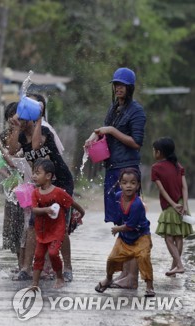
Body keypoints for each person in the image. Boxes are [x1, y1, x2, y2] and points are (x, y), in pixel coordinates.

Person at [85, 67, 146, 289]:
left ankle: (132, 277)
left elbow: (136, 142)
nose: (118, 88)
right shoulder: (114, 108)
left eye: (122, 85)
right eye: (115, 84)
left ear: (130, 88)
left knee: (131, 222)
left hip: (127, 169)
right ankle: (125, 274)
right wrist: (95, 136)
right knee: (120, 221)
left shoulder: (136, 111)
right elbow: (104, 130)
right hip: (112, 169)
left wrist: (111, 130)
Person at [7, 94, 76, 282]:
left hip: (61, 181)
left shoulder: (44, 130)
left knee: (60, 225)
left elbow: (36, 145)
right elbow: (12, 151)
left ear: (30, 119)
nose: (20, 122)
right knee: (32, 226)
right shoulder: (21, 132)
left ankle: (68, 267)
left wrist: (37, 119)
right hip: (42, 184)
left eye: (22, 119)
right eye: (18, 119)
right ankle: (26, 268)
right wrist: (14, 129)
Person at [95, 168, 154, 297]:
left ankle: (149, 287)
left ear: (138, 185)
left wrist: (117, 229)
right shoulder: (117, 197)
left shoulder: (137, 204)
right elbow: (118, 215)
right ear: (120, 184)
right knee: (111, 259)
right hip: (125, 237)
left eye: (133, 183)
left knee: (143, 258)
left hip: (141, 236)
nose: (128, 186)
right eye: (125, 182)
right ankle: (108, 278)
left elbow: (131, 226)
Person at [29, 159, 85, 290]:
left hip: (56, 231)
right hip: (42, 231)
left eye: (37, 173)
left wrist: (81, 213)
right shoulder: (35, 193)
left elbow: (72, 203)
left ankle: (59, 277)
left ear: (48, 176)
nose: (34, 176)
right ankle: (34, 284)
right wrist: (46, 210)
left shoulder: (58, 192)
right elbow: (34, 210)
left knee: (53, 253)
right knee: (38, 256)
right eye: (34, 173)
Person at [0, 102, 25, 271]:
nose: (13, 119)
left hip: (29, 185)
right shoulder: (5, 136)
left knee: (27, 225)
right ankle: (21, 264)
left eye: (15, 115)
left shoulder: (28, 135)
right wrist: (9, 177)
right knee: (16, 226)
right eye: (10, 117)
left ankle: (29, 264)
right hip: (14, 189)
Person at [151, 137, 193, 276]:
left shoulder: (155, 168)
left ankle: (179, 265)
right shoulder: (178, 166)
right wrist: (184, 205)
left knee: (169, 238)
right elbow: (184, 187)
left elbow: (162, 190)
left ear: (159, 152)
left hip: (171, 206)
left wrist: (173, 205)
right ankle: (174, 268)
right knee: (178, 237)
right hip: (182, 205)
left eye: (154, 150)